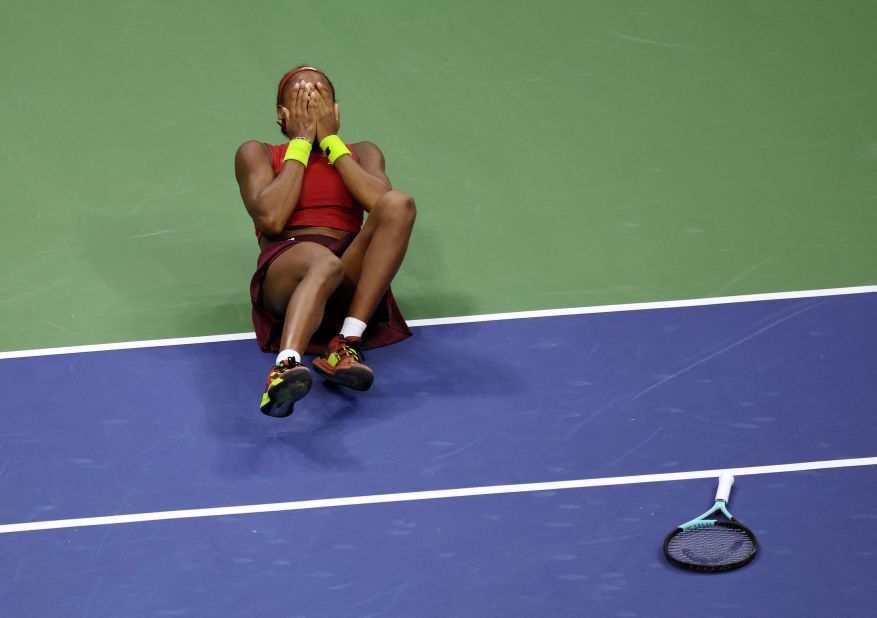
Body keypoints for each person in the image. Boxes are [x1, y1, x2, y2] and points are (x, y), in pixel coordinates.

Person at [234, 65, 416, 418]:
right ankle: (284, 368)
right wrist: (301, 144)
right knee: (322, 260)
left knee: (399, 202)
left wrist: (331, 143)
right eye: (301, 98)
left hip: (347, 271)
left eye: (320, 96)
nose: (312, 100)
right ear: (282, 116)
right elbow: (271, 218)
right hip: (287, 273)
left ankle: (345, 343)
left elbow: (381, 206)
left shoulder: (362, 152)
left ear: (336, 113)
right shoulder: (257, 153)